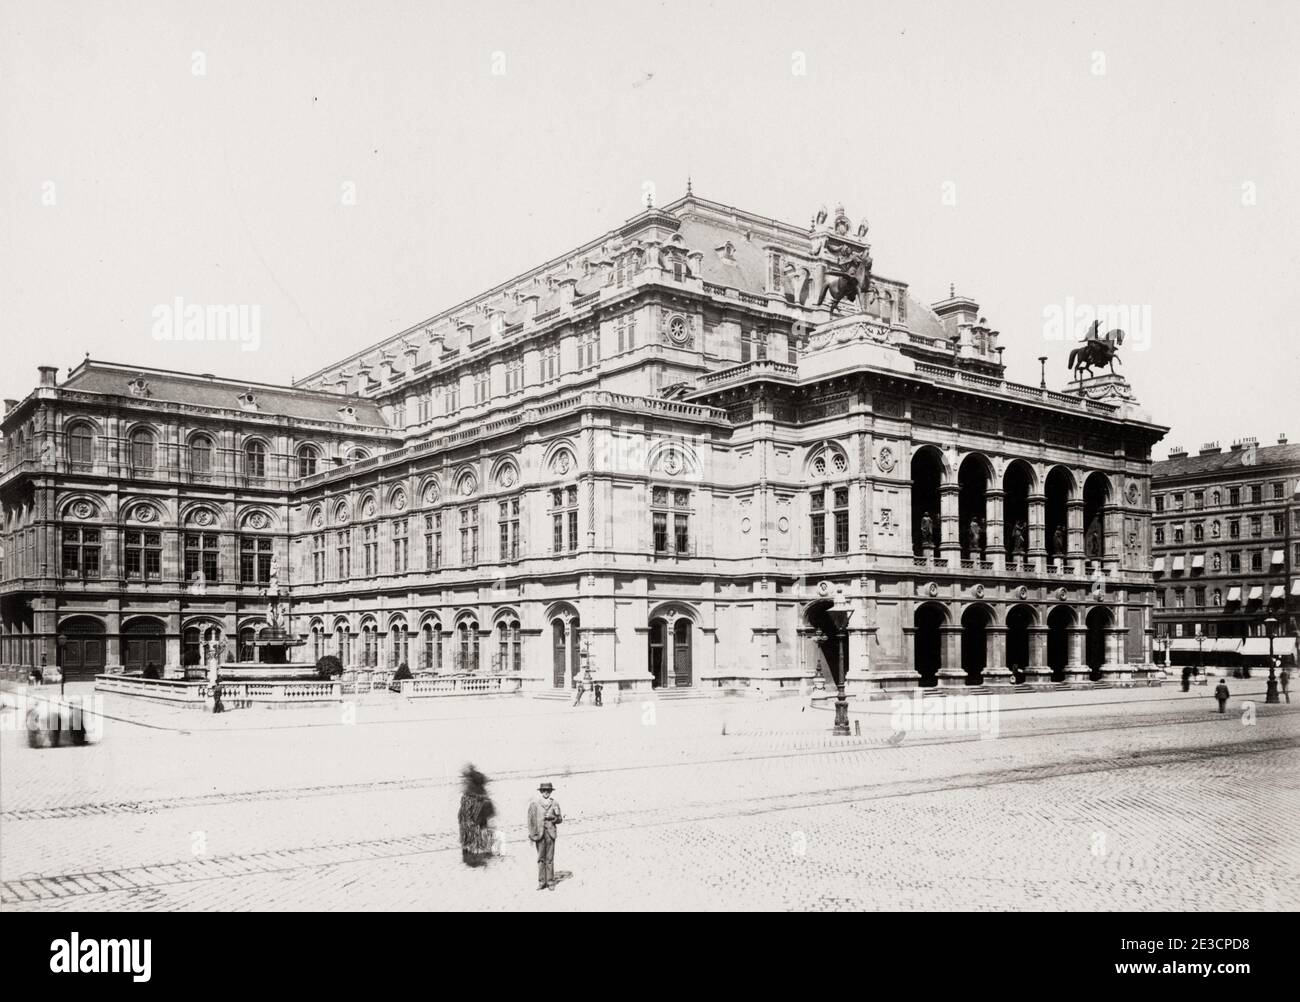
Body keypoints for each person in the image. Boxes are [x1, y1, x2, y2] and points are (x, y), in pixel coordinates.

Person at [457, 765, 497, 868]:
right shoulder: (473, 786)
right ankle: (476, 853)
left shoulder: (473, 784)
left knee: (477, 830)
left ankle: (475, 853)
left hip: (475, 807)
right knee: (479, 829)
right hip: (475, 807)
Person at [527, 781, 563, 890]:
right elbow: (530, 821)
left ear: (551, 792)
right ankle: (542, 882)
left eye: (548, 790)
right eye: (544, 790)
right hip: (539, 834)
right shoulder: (535, 804)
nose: (546, 792)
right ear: (541, 791)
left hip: (550, 834)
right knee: (541, 859)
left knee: (550, 859)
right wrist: (532, 834)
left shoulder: (555, 803)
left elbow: (560, 819)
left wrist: (552, 818)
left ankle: (551, 882)